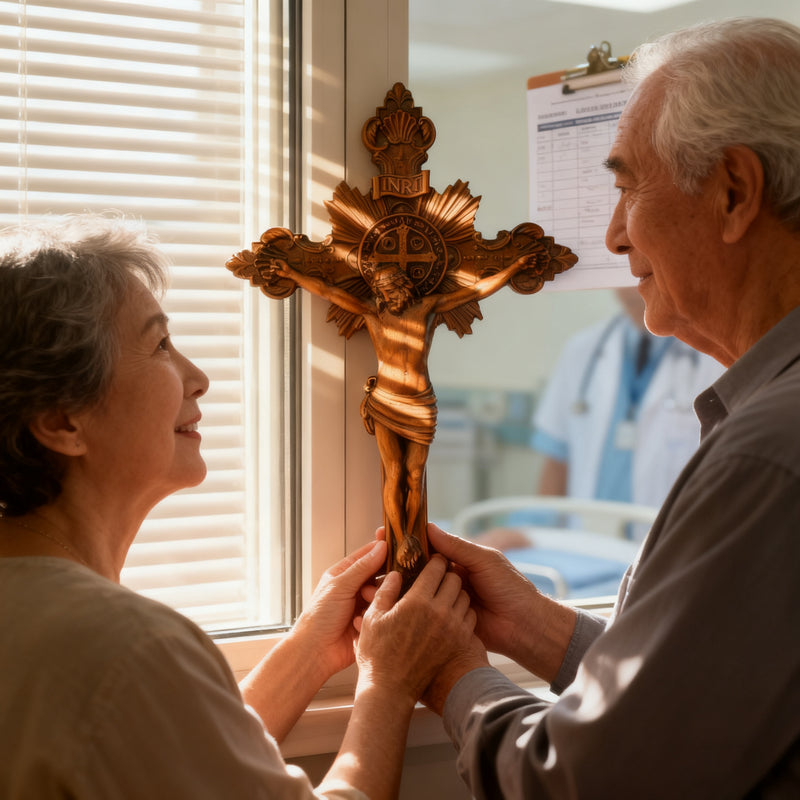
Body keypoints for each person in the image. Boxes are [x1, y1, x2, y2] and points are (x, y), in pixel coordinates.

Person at [388, 17, 800, 798]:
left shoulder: (770, 452)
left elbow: (591, 781)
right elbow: (720, 689)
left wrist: (451, 676)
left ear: (735, 193)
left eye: (626, 187)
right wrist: (545, 633)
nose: (611, 236)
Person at [0, 213, 477, 799]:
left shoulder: (69, 634)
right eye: (160, 345)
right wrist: (388, 681)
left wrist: (307, 652)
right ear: (60, 420)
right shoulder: (124, 647)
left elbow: (183, 764)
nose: (196, 379)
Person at [268, 254, 535, 575]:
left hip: (420, 402)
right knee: (394, 472)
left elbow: (475, 291)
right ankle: (404, 537)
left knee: (415, 475)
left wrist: (514, 268)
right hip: (386, 401)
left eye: (386, 289)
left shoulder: (427, 309)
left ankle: (411, 535)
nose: (382, 295)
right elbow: (331, 293)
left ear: (401, 286)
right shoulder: (372, 313)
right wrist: (292, 272)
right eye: (378, 290)